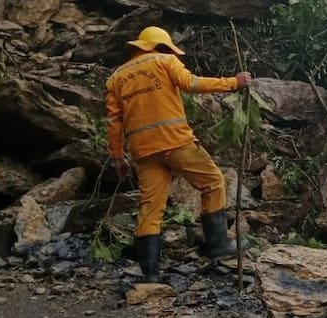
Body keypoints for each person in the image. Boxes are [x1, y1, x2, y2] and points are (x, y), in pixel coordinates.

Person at [105, 26, 253, 283]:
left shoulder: (117, 78)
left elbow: (114, 122)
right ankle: (217, 245)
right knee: (213, 182)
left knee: (151, 209)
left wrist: (118, 157)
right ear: (160, 46)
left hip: (143, 152)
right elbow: (191, 83)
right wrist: (233, 83)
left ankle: (150, 274)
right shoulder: (164, 60)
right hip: (174, 142)